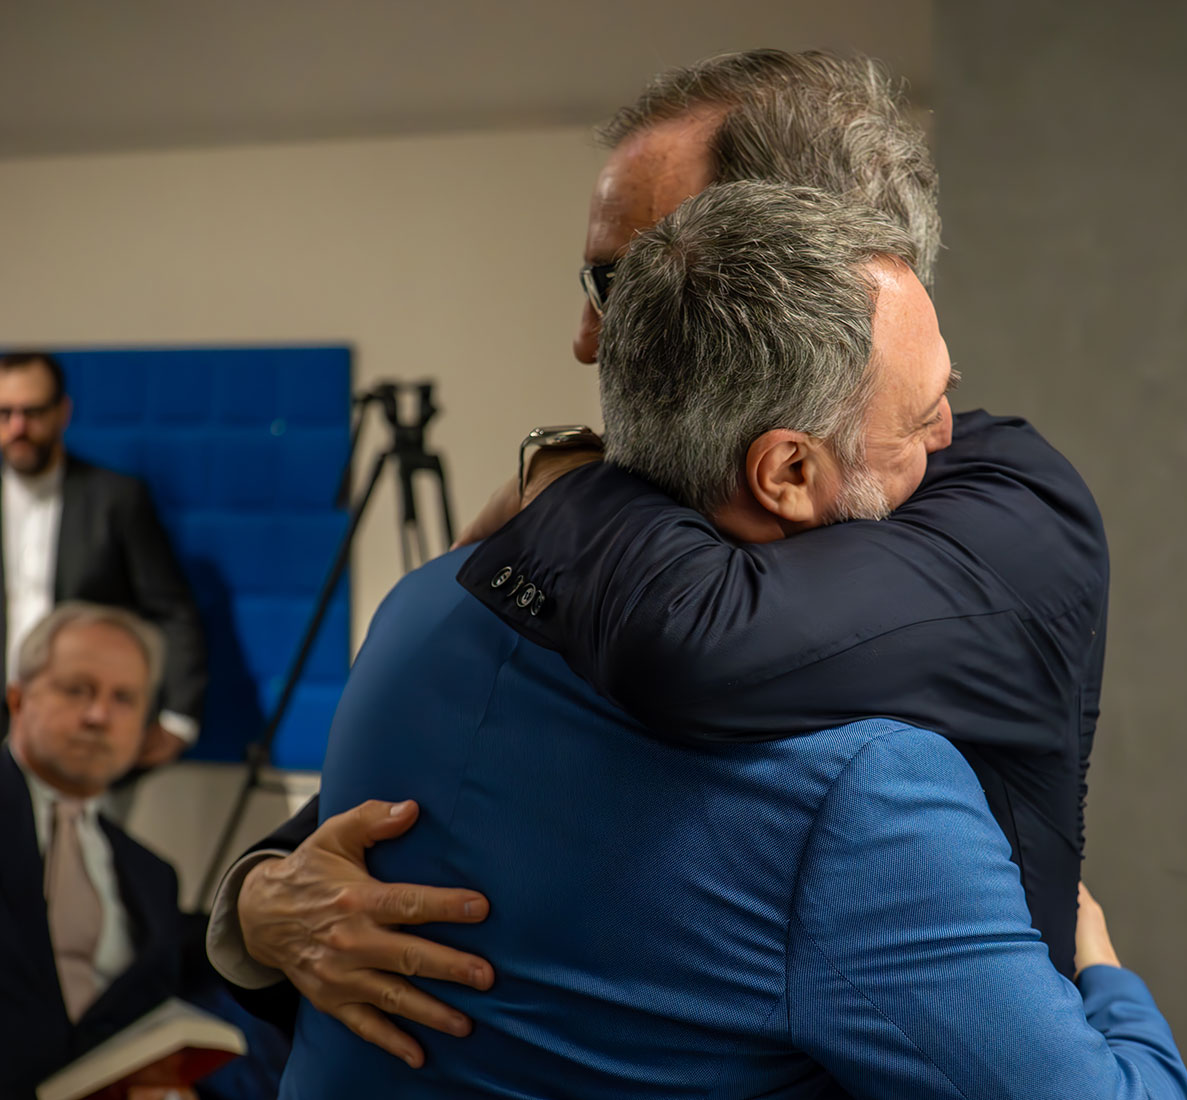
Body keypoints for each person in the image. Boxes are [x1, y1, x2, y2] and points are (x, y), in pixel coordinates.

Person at [208, 48, 1104, 1061]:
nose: (590, 338)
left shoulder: (999, 508)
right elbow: (426, 786)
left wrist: (560, 480)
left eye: (631, 279)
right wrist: (259, 899)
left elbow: (691, 636)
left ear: (796, 254)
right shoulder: (593, 530)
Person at [0, 602, 187, 1097]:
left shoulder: (154, 877)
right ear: (17, 699)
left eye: (124, 699)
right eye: (77, 690)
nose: (99, 716)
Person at [0, 351, 207, 766]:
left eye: (32, 412)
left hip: (88, 720)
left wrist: (178, 718)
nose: (18, 427)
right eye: (5, 413)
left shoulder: (116, 498)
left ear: (62, 412)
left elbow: (172, 611)